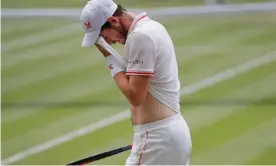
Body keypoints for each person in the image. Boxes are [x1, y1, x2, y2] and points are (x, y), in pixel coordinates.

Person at [80, 0, 192, 165]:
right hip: (168, 136)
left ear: (113, 21)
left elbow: (135, 96)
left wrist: (109, 58)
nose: (108, 42)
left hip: (157, 138)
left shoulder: (141, 36)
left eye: (103, 36)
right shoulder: (152, 28)